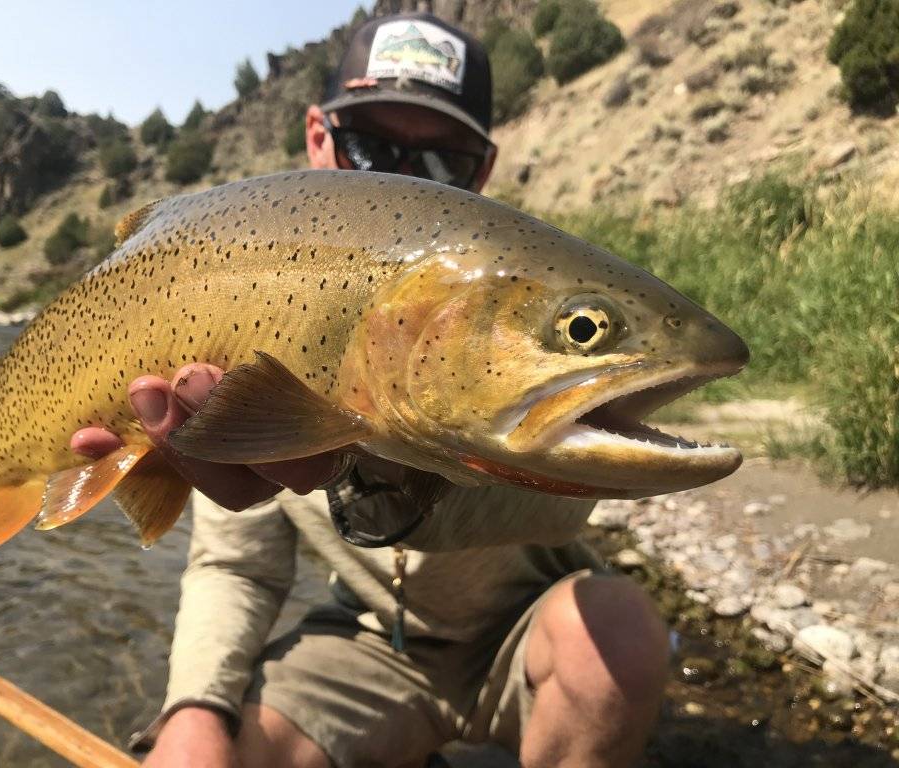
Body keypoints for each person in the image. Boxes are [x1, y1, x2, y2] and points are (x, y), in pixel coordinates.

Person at [73, 13, 669, 768]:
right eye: (375, 147)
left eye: (442, 158)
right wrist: (195, 703)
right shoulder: (244, 298)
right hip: (364, 648)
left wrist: (381, 464)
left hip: (519, 632)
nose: (408, 176)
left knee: (617, 633)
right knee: (197, 752)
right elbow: (238, 562)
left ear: (482, 170)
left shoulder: (522, 287)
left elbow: (560, 503)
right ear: (319, 139)